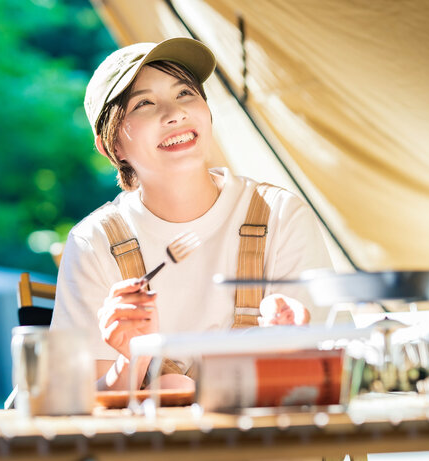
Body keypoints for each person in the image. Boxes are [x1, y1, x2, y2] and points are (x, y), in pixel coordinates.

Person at [51, 38, 333, 391]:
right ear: (113, 146)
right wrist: (130, 359)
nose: (175, 113)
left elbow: (328, 374)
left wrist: (293, 346)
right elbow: (78, 407)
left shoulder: (281, 216)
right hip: (149, 446)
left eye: (185, 93)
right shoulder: (93, 243)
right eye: (144, 103)